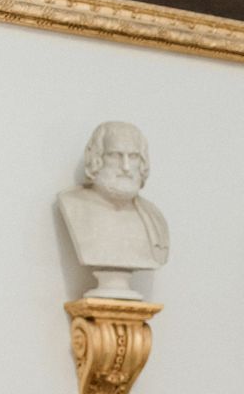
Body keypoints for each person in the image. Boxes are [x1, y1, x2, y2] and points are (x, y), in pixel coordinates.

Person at [57, 121, 170, 299]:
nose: (125, 167)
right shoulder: (73, 206)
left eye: (133, 157)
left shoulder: (153, 217)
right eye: (115, 156)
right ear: (97, 159)